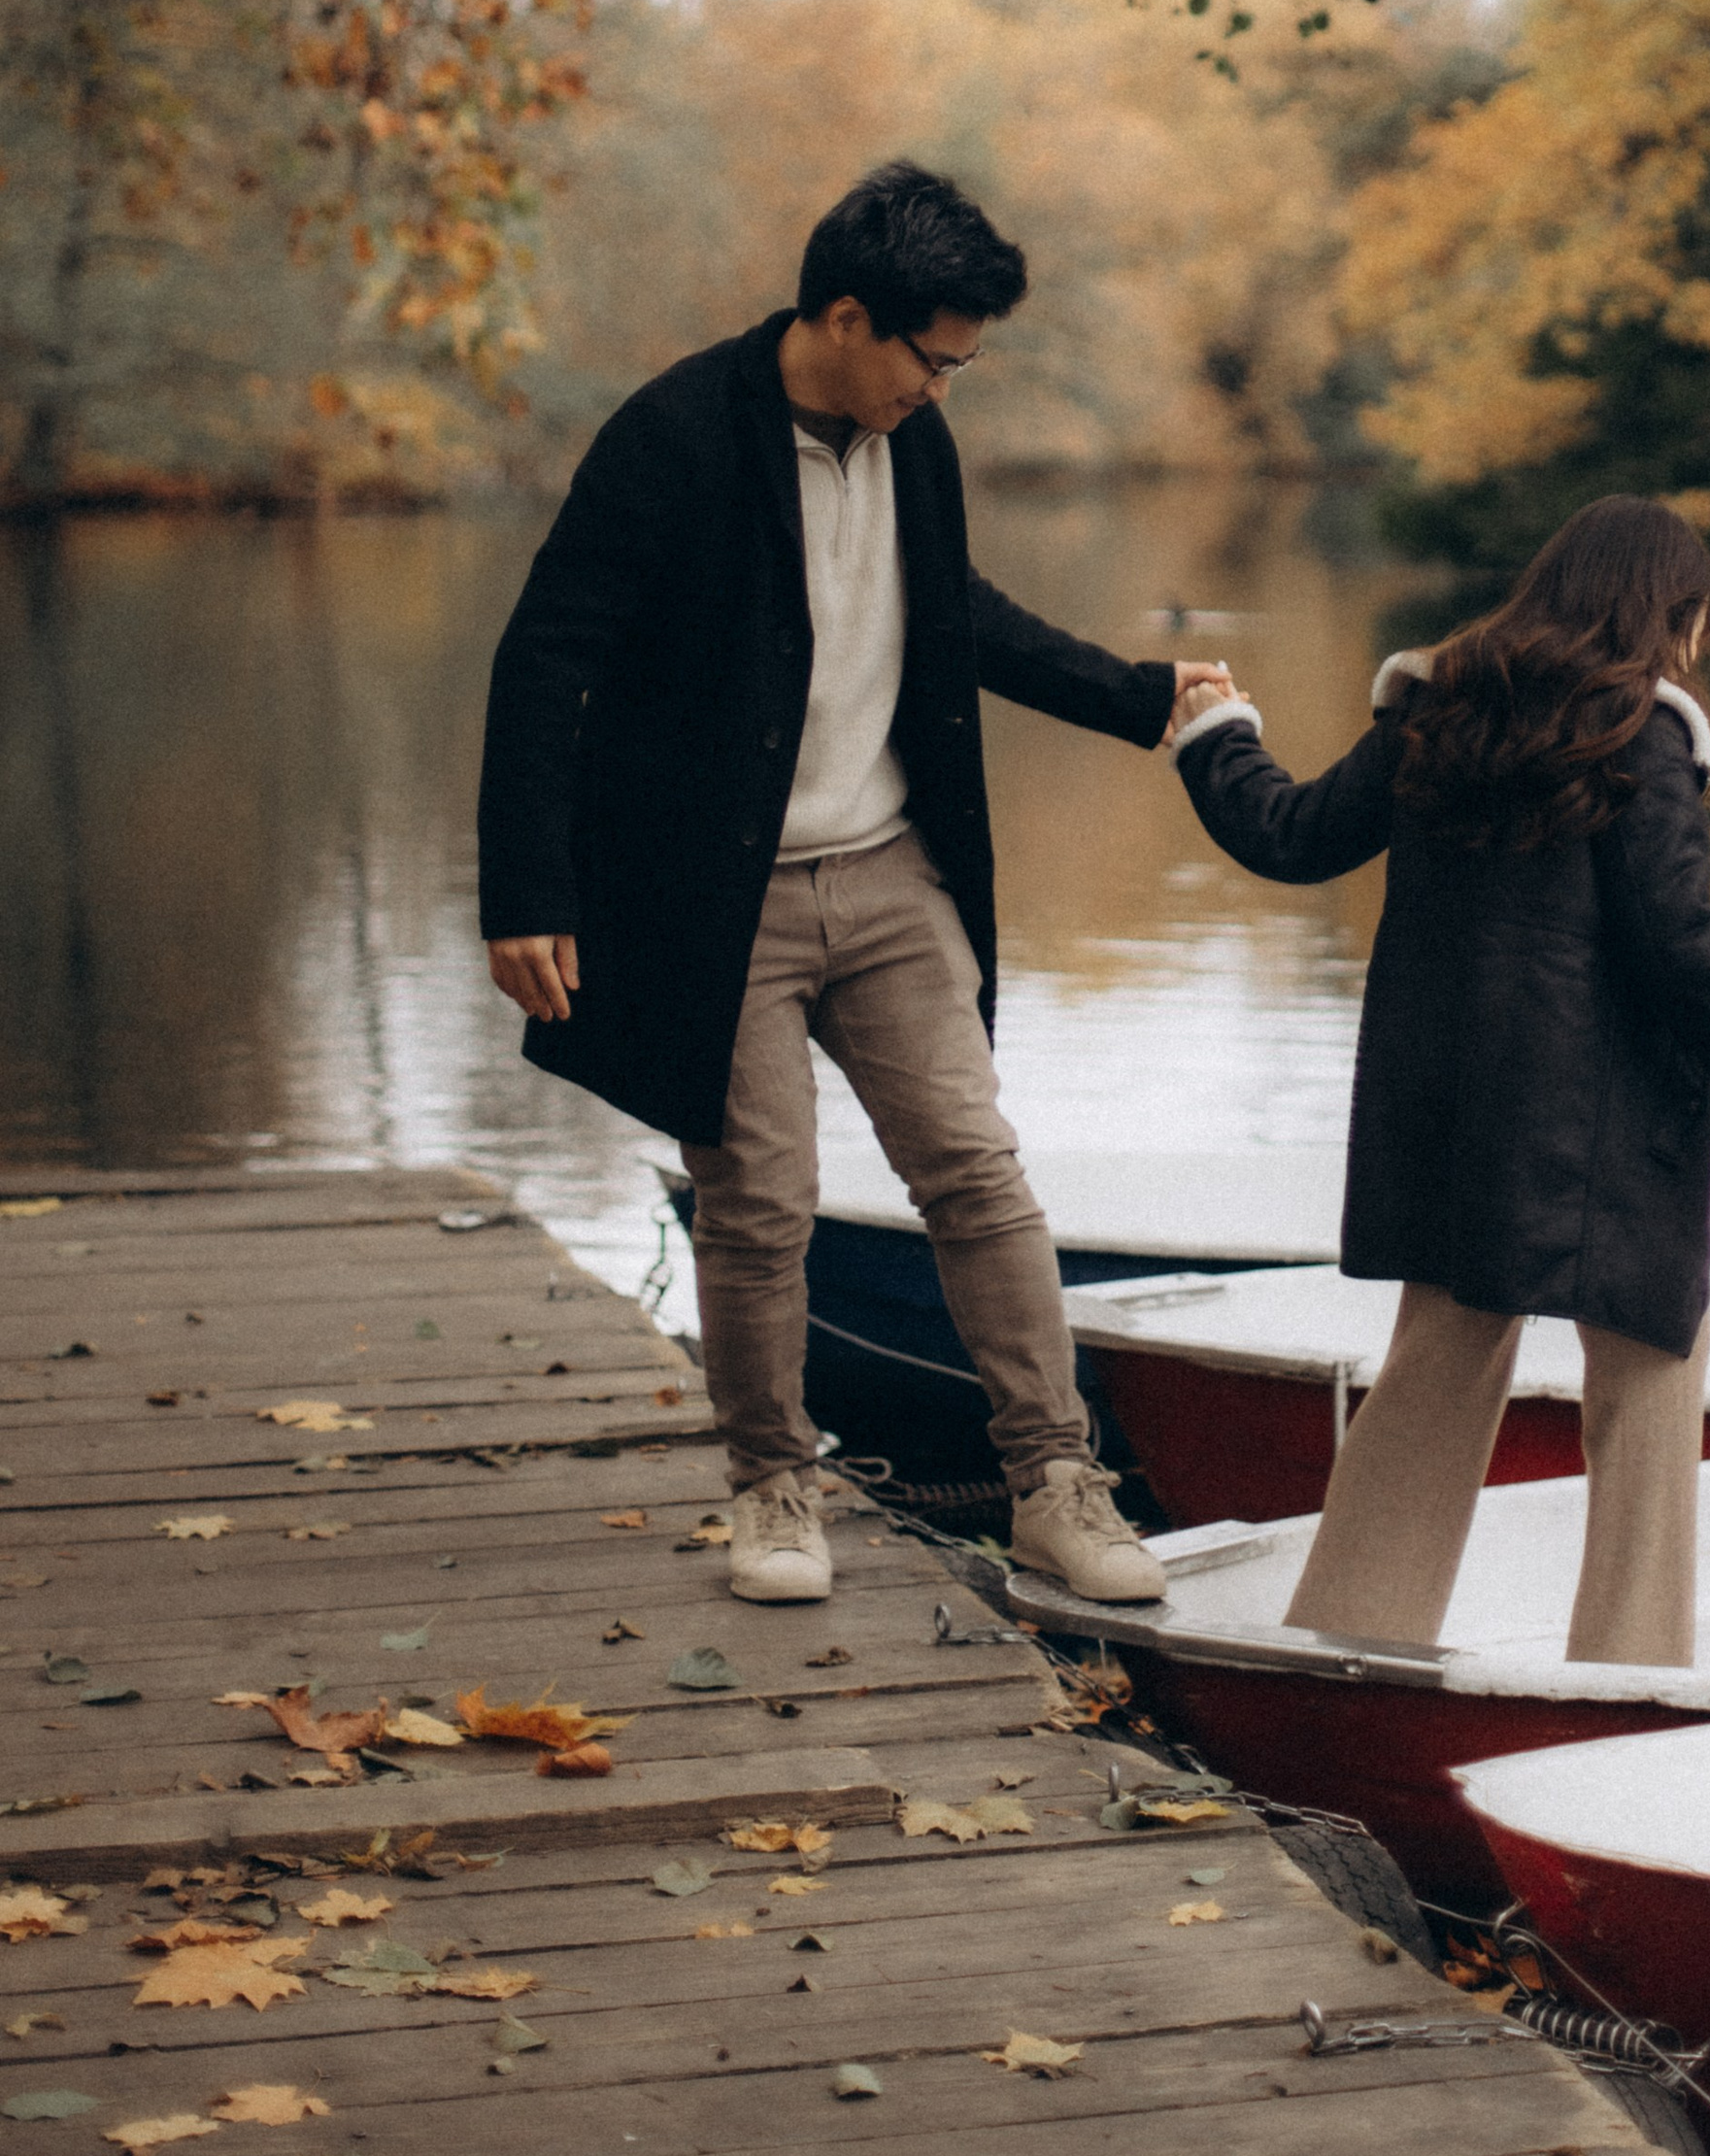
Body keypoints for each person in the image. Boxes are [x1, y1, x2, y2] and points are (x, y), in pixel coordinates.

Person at [476, 160, 1226, 1610]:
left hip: (888, 874)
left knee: (977, 1167)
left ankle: (1052, 1483)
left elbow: (951, 615)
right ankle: (772, 1483)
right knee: (760, 1196)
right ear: (842, 315)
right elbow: (546, 654)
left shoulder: (911, 443)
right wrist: (527, 886)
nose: (943, 389)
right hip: (721, 898)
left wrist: (1142, 695)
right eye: (931, 358)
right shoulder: (677, 436)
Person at [1166, 496, 1710, 1664]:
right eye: (1695, 627)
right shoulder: (1642, 733)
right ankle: (1630, 1670)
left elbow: (1288, 833)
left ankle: (1350, 1640)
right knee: (1649, 1373)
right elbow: (1681, 942)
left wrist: (1219, 729)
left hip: (1452, 1117)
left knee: (1434, 1362)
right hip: (1607, 1125)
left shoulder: (1435, 716)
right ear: (1670, 615)